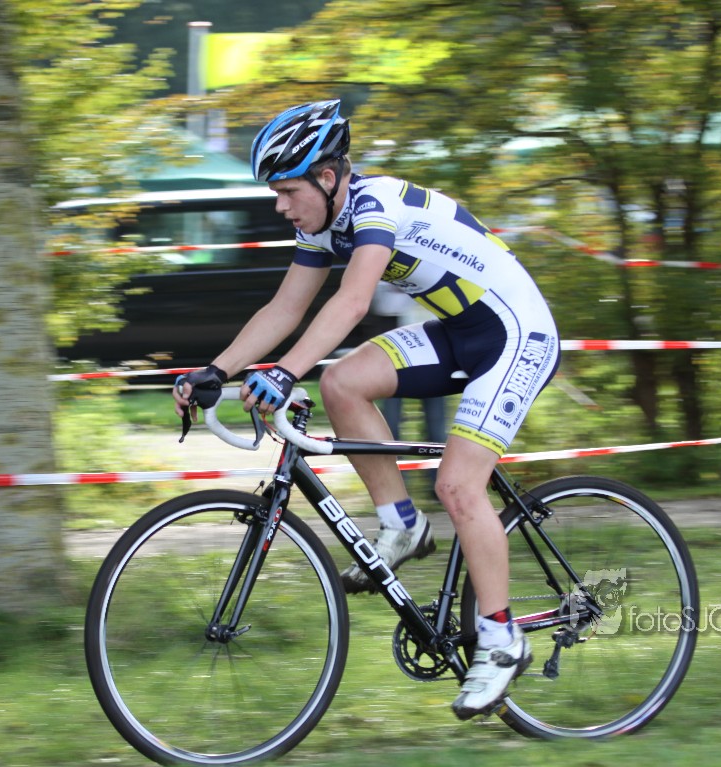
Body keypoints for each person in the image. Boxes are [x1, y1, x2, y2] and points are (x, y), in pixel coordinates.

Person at [173, 100, 560, 719]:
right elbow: (285, 308)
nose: (280, 206)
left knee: (459, 486)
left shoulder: (376, 205)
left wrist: (285, 371)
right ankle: (402, 524)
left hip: (517, 335)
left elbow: (352, 302)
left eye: (288, 191)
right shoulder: (322, 221)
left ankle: (500, 638)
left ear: (327, 178)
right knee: (343, 383)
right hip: (460, 331)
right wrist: (216, 370)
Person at [370, 281, 447, 496]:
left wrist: (406, 290)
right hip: (395, 359)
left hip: (433, 358)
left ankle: (437, 487)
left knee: (436, 427)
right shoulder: (388, 272)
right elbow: (383, 305)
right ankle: (397, 486)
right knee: (390, 426)